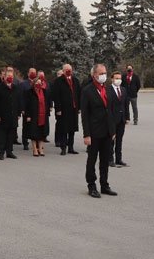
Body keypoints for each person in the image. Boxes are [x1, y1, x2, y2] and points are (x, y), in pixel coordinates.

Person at [81, 64, 117, 198]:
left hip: (107, 131)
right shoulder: (87, 91)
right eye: (101, 73)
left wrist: (113, 130)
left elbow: (111, 111)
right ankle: (91, 185)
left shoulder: (107, 89)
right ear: (94, 75)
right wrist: (86, 134)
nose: (104, 76)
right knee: (92, 160)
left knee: (105, 160)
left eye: (105, 73)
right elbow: (84, 115)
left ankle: (104, 185)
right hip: (94, 132)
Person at [53, 63, 81, 156]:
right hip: (64, 109)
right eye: (66, 70)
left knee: (72, 129)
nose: (68, 71)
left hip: (73, 109)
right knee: (64, 129)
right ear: (63, 71)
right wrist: (58, 109)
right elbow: (56, 96)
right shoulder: (58, 81)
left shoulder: (75, 80)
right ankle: (63, 147)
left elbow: (79, 94)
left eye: (70, 69)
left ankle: (71, 147)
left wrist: (79, 107)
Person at [0, 68, 19, 160]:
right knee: (2, 135)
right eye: (8, 76)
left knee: (11, 135)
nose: (10, 78)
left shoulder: (15, 87)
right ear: (4, 77)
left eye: (11, 76)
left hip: (13, 115)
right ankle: (1, 152)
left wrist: (18, 113)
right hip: (3, 116)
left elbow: (17, 101)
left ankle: (9, 151)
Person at [24, 75, 50, 156]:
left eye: (40, 83)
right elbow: (26, 105)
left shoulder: (44, 91)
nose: (38, 84)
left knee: (42, 133)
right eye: (37, 83)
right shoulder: (29, 92)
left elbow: (47, 103)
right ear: (34, 83)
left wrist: (48, 112)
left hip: (43, 115)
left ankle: (41, 149)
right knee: (34, 133)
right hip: (33, 115)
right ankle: (35, 149)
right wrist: (27, 115)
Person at [110, 71, 129, 167]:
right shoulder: (108, 90)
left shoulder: (123, 90)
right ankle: (110, 159)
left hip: (122, 119)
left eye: (119, 78)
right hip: (112, 119)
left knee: (119, 140)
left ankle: (119, 159)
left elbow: (126, 104)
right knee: (111, 140)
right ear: (112, 79)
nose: (118, 80)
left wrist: (127, 117)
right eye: (116, 78)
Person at [19, 68, 37, 151]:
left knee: (35, 126)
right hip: (26, 108)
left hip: (35, 109)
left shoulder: (37, 82)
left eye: (34, 72)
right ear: (28, 73)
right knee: (26, 126)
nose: (33, 74)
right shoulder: (23, 84)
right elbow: (21, 97)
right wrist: (22, 108)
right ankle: (25, 143)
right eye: (31, 72)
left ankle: (36, 142)